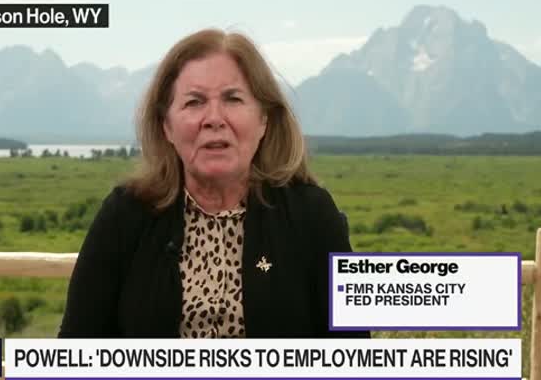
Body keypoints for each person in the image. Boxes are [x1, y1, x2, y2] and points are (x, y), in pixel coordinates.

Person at [58, 28, 369, 338]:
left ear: (264, 120)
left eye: (233, 99)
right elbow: (74, 349)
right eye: (194, 102)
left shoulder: (312, 214)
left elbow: (357, 354)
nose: (214, 118)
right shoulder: (125, 215)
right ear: (166, 125)